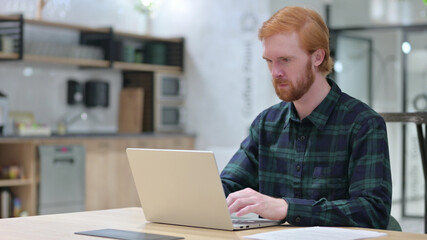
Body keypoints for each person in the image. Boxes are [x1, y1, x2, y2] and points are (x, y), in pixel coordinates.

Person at [220, 6, 392, 229]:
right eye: (269, 61)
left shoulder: (363, 124)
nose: (275, 72)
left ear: (318, 57)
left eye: (285, 60)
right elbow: (229, 185)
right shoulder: (266, 123)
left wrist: (286, 208)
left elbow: (372, 211)